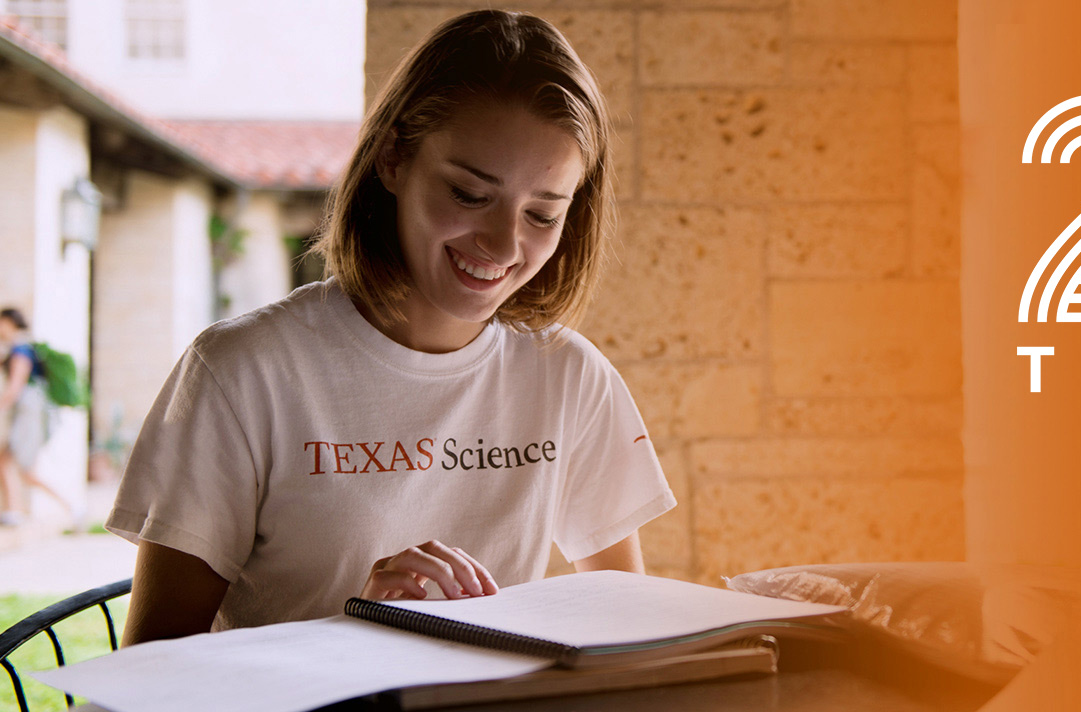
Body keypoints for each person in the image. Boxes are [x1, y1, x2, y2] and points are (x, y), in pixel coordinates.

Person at [110, 9, 676, 645]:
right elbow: (147, 676)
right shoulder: (242, 371)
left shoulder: (569, 376)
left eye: (543, 215)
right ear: (392, 160)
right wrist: (357, 638)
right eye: (469, 194)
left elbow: (623, 630)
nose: (503, 243)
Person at [0, 307, 72, 527]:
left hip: (27, 417)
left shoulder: (21, 350)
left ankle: (69, 507)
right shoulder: (21, 348)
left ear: (10, 323)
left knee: (23, 469)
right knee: (9, 463)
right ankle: (14, 511)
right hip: (26, 416)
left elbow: (15, 387)